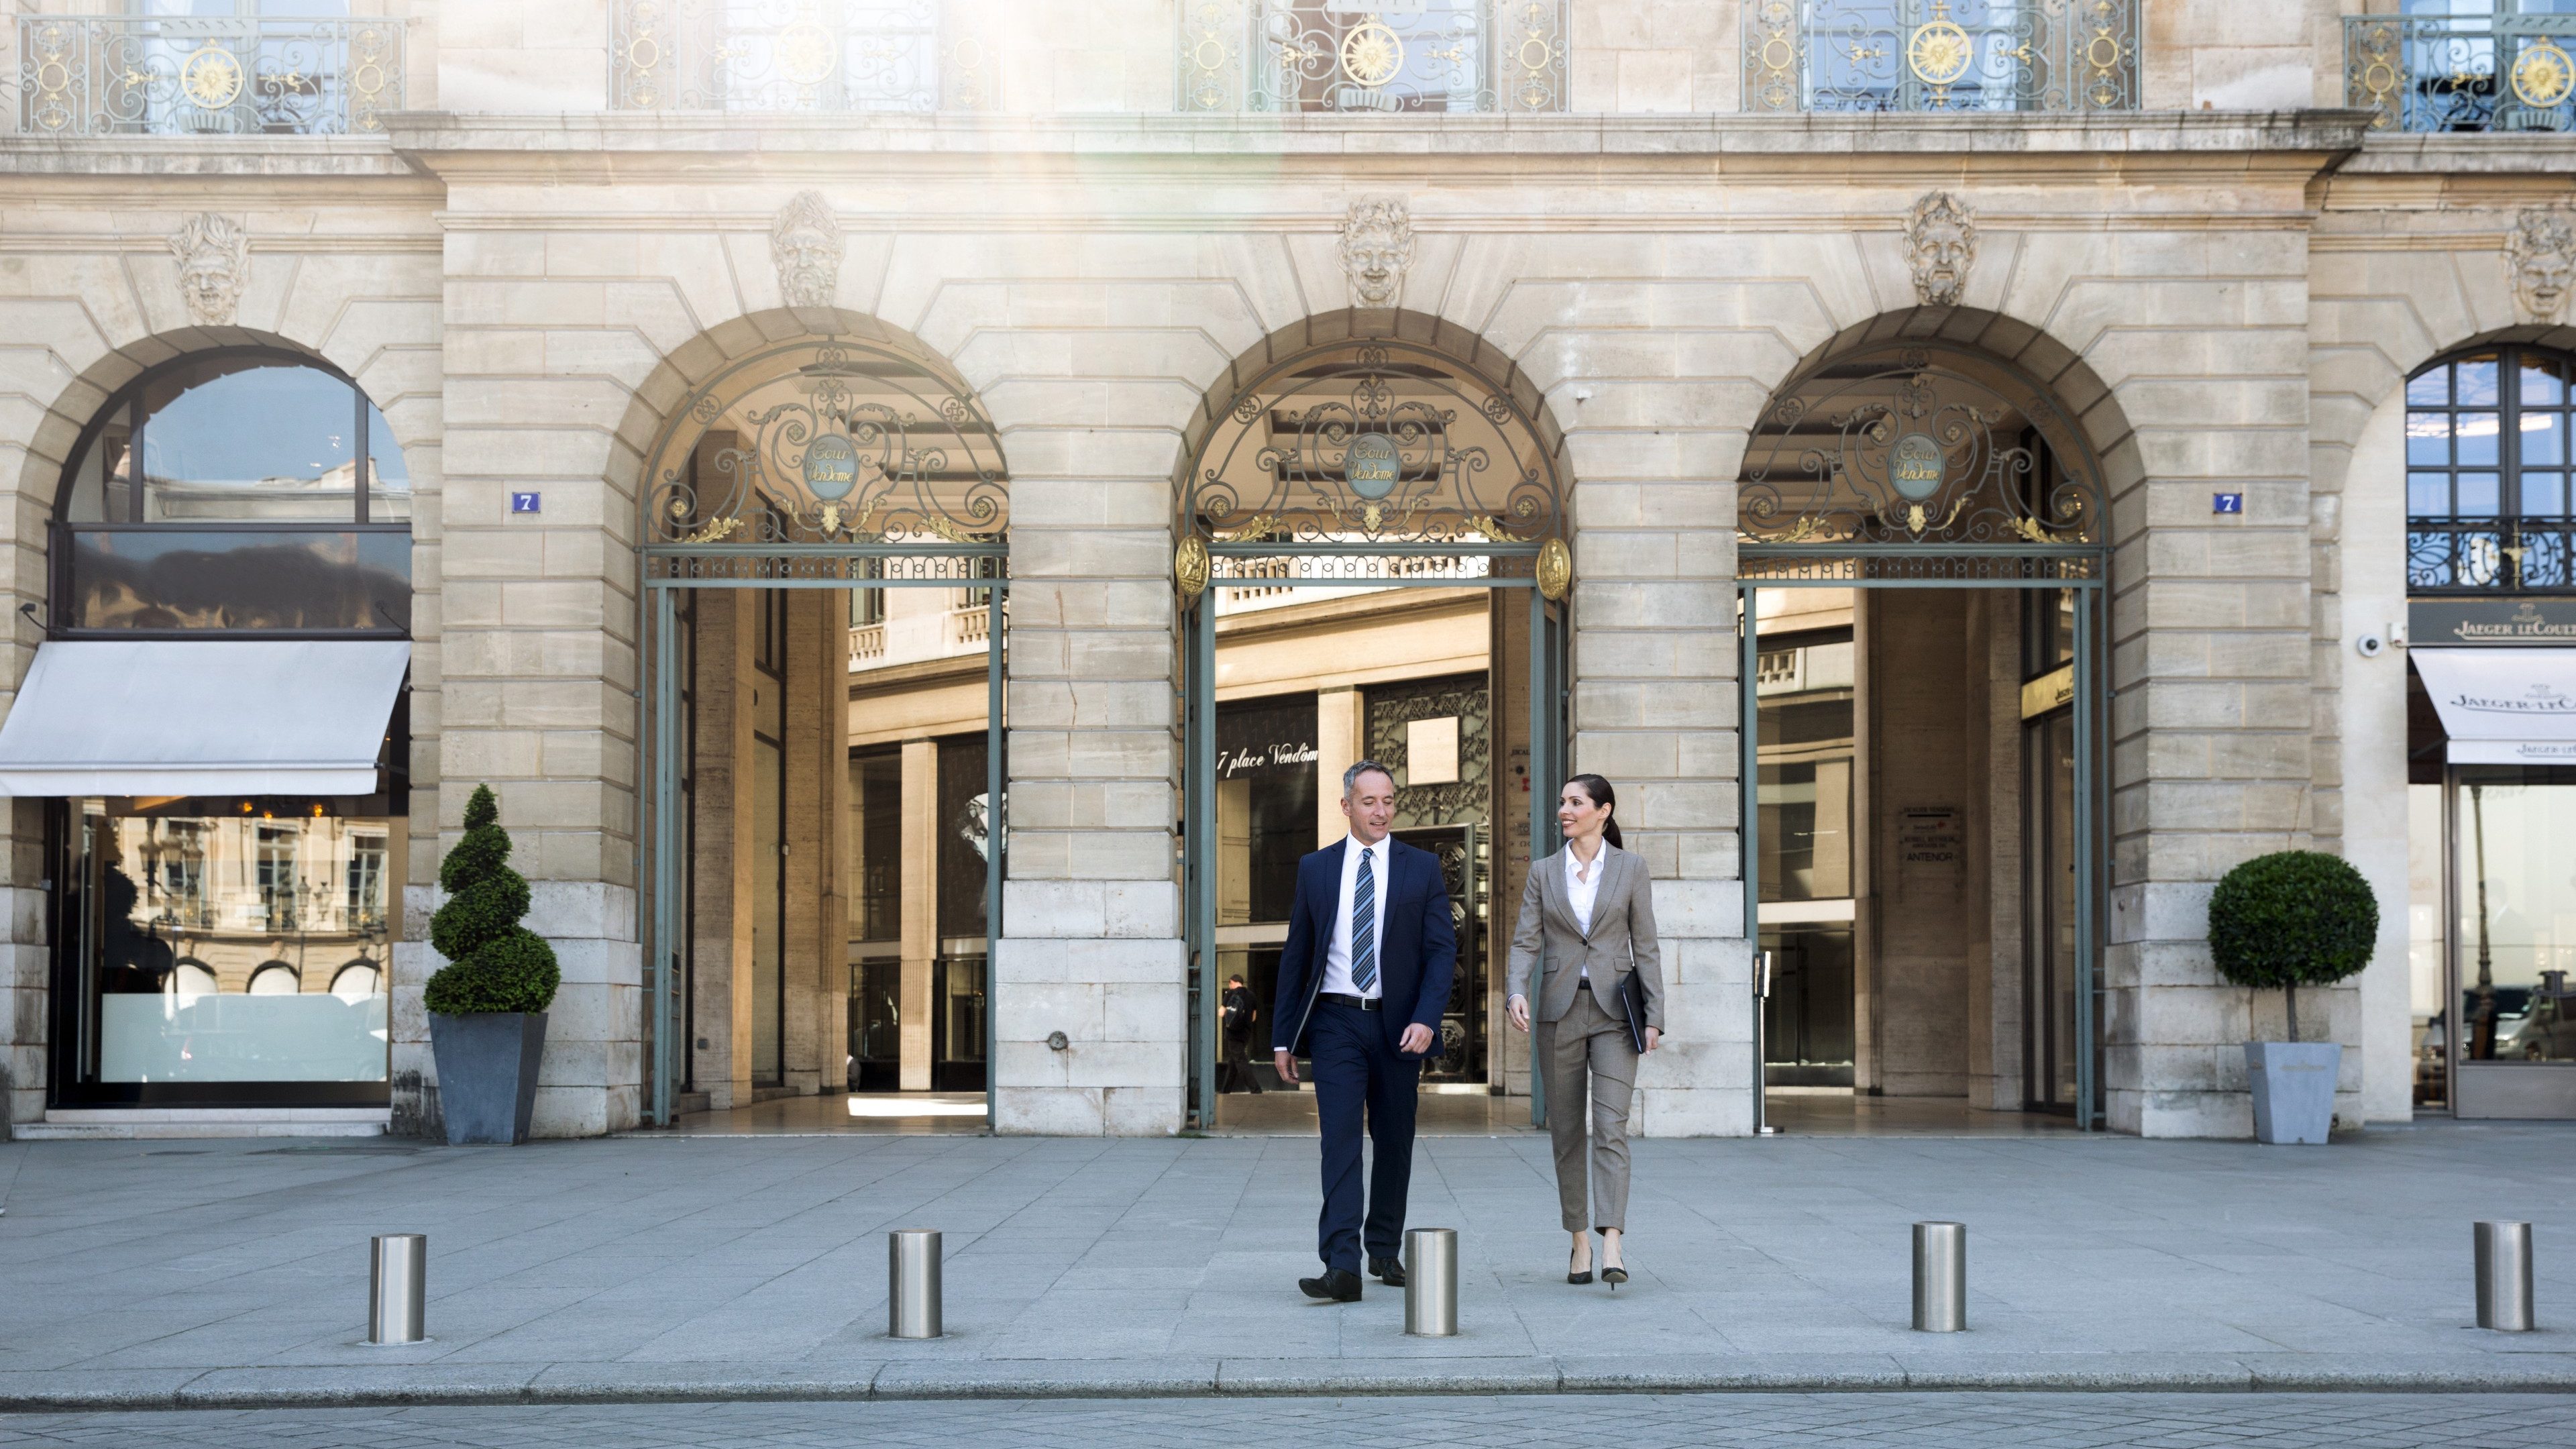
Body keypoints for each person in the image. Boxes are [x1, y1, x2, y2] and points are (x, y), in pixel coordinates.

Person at [1272, 760, 1456, 1302]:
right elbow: (1297, 955)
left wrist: (1426, 1017)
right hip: (1335, 1022)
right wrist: (1284, 1037)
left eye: (1389, 801)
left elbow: (1442, 952)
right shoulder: (1317, 868)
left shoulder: (1421, 868)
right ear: (1346, 806)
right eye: (1369, 801)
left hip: (1400, 1026)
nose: (1381, 811)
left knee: (1395, 1141)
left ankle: (1382, 1248)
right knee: (1340, 1142)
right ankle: (1342, 1264)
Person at [1506, 773, 1662, 1289]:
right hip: (1559, 1011)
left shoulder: (1631, 869)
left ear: (1603, 811)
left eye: (1576, 802)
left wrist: (1656, 1014)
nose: (1564, 810)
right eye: (1562, 802)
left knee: (1611, 1128)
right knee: (1567, 1132)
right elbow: (1526, 940)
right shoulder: (1544, 872)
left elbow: (1647, 945)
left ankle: (1612, 1241)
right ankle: (1579, 1240)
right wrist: (1516, 990)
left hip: (1618, 1015)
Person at [1219, 973, 1262, 1094]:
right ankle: (1225, 1090)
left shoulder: (1231, 994)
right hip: (1245, 1034)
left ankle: (1256, 1089)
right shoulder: (1252, 996)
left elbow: (1221, 1013)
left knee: (1241, 1062)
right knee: (1234, 1062)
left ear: (1232, 982)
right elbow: (1254, 1017)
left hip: (1233, 1034)